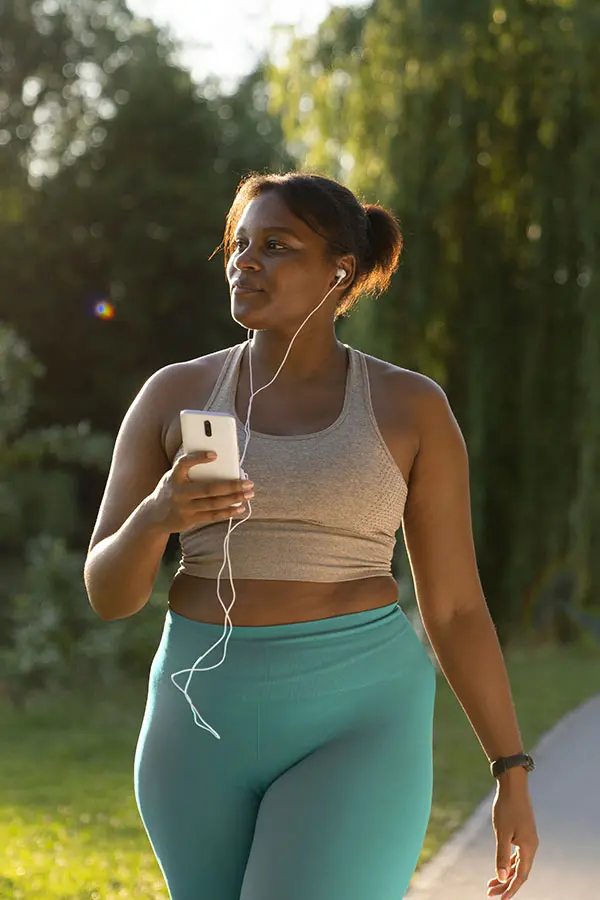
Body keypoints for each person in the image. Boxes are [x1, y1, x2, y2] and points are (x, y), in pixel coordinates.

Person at [84, 171, 539, 900]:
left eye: (276, 245)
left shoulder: (410, 407)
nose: (245, 262)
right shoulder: (172, 395)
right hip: (196, 717)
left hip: (357, 718)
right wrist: (158, 516)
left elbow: (454, 610)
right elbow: (108, 593)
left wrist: (510, 771)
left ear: (340, 271)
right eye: (239, 245)